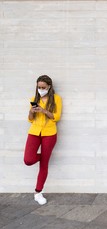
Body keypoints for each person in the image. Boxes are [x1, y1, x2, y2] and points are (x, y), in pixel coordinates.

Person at [24, 75, 62, 205]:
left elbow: (56, 117)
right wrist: (32, 111)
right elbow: (30, 119)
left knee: (44, 165)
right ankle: (44, 156)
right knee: (28, 160)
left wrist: (44, 110)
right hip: (34, 132)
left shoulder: (56, 99)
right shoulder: (34, 99)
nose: (41, 89)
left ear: (49, 87)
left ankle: (38, 192)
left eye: (43, 87)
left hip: (49, 133)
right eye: (39, 87)